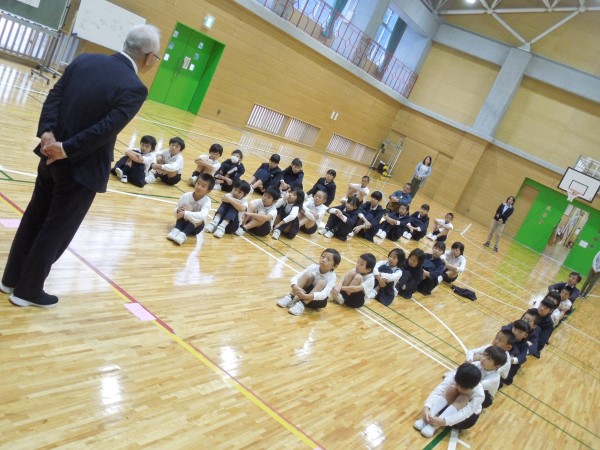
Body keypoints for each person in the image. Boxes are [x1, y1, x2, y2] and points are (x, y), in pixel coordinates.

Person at [0, 24, 161, 308]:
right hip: (81, 168)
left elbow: (54, 96)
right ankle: (27, 291)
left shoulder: (85, 60)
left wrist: (47, 134)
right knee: (56, 230)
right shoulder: (135, 87)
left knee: (34, 217)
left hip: (49, 158)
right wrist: (66, 149)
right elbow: (106, 129)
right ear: (149, 57)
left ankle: (10, 279)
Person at [413, 363, 483, 438]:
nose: (459, 388)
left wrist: (444, 422)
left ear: (473, 387)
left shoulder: (479, 395)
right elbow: (437, 391)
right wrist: (427, 407)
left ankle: (434, 425)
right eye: (457, 384)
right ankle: (427, 419)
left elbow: (464, 414)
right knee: (451, 389)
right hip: (450, 406)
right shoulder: (453, 376)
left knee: (464, 398)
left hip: (466, 418)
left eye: (464, 389)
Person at [277, 248, 341, 316]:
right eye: (323, 256)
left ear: (334, 266)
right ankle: (290, 297)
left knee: (322, 282)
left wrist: (306, 296)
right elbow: (296, 277)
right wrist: (295, 286)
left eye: (328, 259)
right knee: (308, 275)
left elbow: (324, 294)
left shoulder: (332, 277)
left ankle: (301, 305)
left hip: (317, 300)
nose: (324, 260)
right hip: (304, 294)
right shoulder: (313, 267)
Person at [466, 330, 515, 407]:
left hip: (487, 392)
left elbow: (503, 375)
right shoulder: (490, 348)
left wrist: (480, 358)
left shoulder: (504, 362)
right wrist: (470, 361)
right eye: (496, 337)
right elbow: (471, 352)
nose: (496, 341)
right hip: (484, 374)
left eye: (500, 340)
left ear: (508, 347)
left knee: (467, 393)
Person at [167, 173, 215, 245]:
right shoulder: (186, 195)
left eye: (203, 186)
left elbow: (202, 215)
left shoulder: (207, 201)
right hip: (182, 223)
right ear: (195, 183)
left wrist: (185, 213)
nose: (199, 187)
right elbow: (175, 210)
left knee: (199, 219)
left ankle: (183, 235)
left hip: (195, 228)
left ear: (208, 190)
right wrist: (178, 210)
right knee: (181, 210)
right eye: (198, 183)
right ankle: (176, 230)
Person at [500, 319, 530, 385]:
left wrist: (512, 360)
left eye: (520, 332)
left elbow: (522, 357)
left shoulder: (524, 345)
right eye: (515, 329)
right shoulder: (506, 336)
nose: (516, 333)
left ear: (525, 335)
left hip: (510, 366)